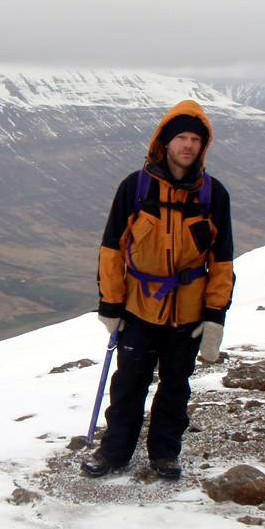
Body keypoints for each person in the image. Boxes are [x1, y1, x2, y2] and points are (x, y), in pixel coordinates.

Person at [83, 99, 234, 479]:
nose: (187, 145)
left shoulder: (214, 195)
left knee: (175, 386)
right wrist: (111, 305)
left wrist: (215, 315)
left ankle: (165, 453)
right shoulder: (135, 188)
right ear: (164, 142)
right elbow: (112, 250)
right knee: (129, 382)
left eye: (195, 139)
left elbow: (222, 260)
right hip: (138, 307)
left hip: (188, 310)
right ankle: (115, 451)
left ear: (203, 146)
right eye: (180, 137)